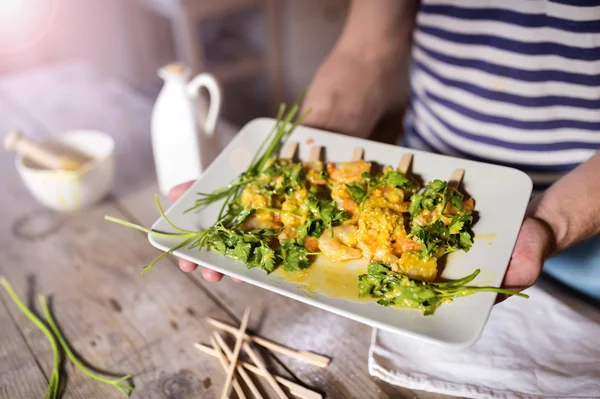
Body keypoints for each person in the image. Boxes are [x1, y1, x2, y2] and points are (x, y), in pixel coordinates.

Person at [170, 0, 600, 300]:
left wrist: (554, 220)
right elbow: (364, 52)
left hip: (587, 232)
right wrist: (298, 157)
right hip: (423, 174)